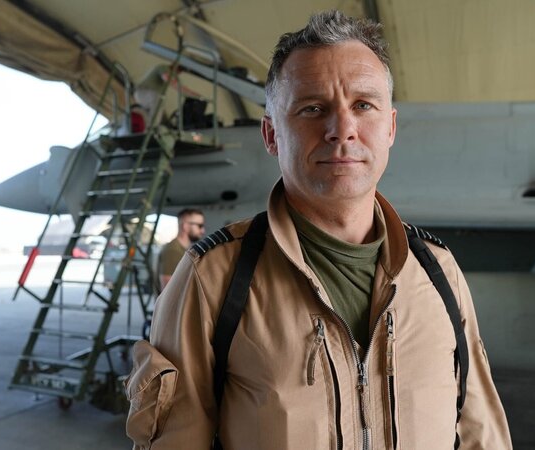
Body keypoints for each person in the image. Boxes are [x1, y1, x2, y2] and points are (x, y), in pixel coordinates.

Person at [125, 10, 512, 450]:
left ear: (390, 128)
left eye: (363, 105)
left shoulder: (439, 273)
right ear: (271, 135)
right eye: (312, 108)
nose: (342, 129)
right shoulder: (212, 280)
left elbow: (481, 434)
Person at [157, 208, 205, 290]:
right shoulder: (173, 250)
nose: (202, 231)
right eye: (199, 226)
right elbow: (167, 289)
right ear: (185, 226)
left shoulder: (185, 250)